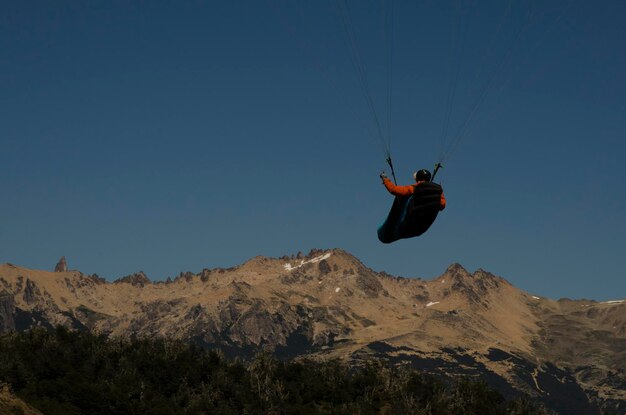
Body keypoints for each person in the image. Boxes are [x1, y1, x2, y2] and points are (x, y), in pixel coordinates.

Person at [380, 169, 446, 210]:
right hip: (425, 223)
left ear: (417, 179)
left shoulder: (414, 188)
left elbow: (393, 189)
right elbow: (442, 204)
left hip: (411, 221)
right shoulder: (437, 190)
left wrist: (385, 178)